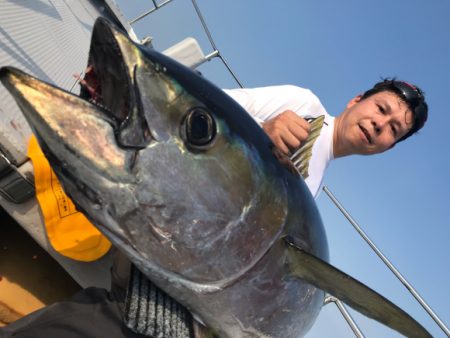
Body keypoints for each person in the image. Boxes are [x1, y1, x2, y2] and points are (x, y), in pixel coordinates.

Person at [224, 78, 428, 198]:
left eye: (394, 129)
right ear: (356, 100)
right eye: (381, 109)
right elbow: (201, 97)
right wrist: (257, 130)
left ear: (388, 148)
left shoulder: (315, 186)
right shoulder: (303, 102)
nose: (380, 124)